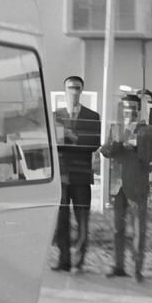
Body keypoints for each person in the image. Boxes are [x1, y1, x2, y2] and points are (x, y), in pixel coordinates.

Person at [98, 92, 152, 280]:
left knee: (138, 229)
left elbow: (148, 157)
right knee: (117, 228)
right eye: (125, 108)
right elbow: (106, 151)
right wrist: (114, 145)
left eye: (132, 108)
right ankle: (118, 266)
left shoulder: (146, 130)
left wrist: (136, 145)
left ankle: (138, 269)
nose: (128, 112)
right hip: (117, 186)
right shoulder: (116, 127)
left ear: (138, 110)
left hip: (137, 185)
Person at [52, 75, 100, 272]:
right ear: (64, 90)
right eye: (70, 87)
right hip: (62, 176)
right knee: (61, 220)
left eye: (77, 88)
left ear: (82, 91)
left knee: (82, 220)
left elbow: (94, 143)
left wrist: (74, 139)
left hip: (81, 175)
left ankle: (79, 260)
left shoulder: (92, 116)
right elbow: (52, 144)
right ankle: (64, 260)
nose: (73, 91)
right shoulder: (56, 115)